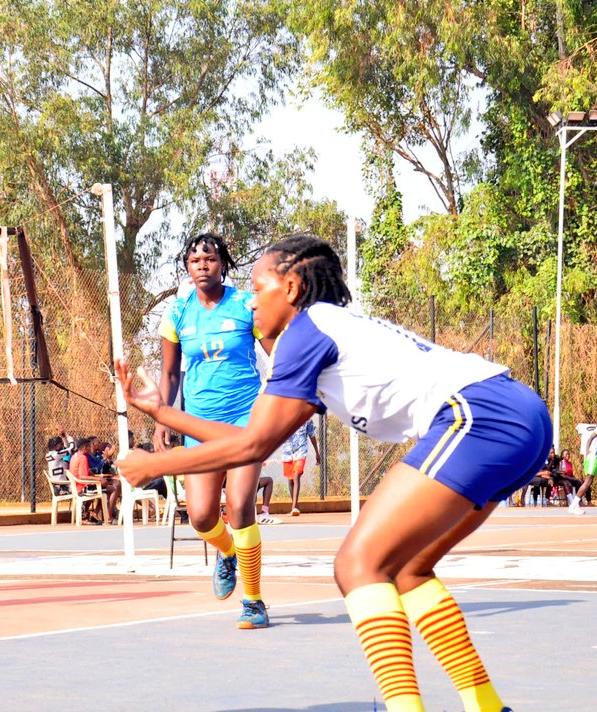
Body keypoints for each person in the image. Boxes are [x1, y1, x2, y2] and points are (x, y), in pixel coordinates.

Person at [115, 233, 548, 712]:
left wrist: (152, 464)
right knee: (409, 568)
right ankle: (488, 707)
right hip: (516, 414)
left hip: (478, 415)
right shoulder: (320, 335)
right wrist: (163, 414)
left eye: (259, 290)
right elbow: (250, 435)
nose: (252, 303)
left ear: (293, 288)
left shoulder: (305, 332)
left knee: (357, 565)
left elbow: (252, 445)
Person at [155, 232, 275, 629]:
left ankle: (254, 601)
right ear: (186, 269)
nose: (202, 265)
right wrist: (163, 418)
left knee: (240, 506)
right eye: (194, 261)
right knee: (203, 517)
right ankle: (228, 554)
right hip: (200, 425)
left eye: (209, 258)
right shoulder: (176, 313)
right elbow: (170, 373)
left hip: (245, 421)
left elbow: (276, 351)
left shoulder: (245, 305)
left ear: (223, 262)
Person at [280, 419, 321, 517]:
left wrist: (317, 452)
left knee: (296, 475)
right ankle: (295, 507)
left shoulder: (307, 418)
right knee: (290, 480)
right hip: (287, 451)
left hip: (301, 451)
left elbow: (312, 435)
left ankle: (294, 507)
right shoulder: (285, 416)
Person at [44, 428, 76, 496]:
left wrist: (63, 437)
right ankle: (83, 506)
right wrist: (67, 436)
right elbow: (72, 447)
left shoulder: (50, 454)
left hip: (58, 482)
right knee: (82, 488)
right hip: (62, 484)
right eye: (60, 444)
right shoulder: (57, 454)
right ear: (56, 446)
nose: (61, 445)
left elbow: (65, 448)